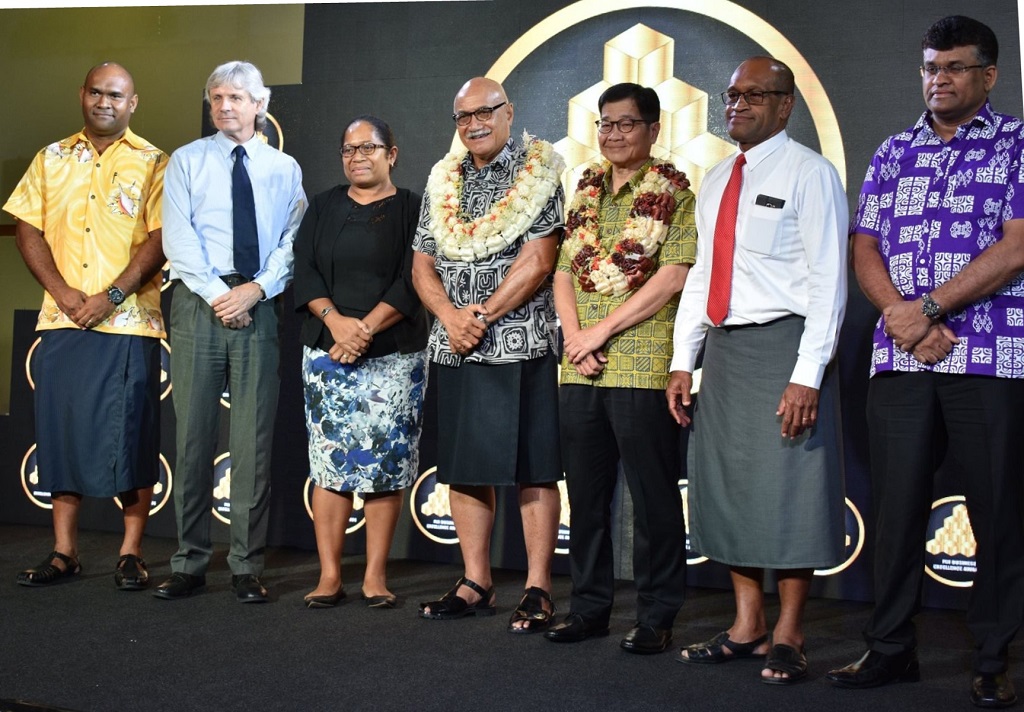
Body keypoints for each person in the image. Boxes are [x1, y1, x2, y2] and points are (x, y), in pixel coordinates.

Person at [826, 17, 1024, 708]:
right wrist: (903, 319)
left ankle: (992, 656)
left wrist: (929, 309)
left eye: (954, 68)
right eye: (930, 68)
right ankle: (889, 650)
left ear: (989, 75)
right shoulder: (893, 149)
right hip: (901, 357)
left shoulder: (1017, 144)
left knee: (996, 511)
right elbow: (865, 248)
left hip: (990, 353)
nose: (938, 79)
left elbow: (1017, 246)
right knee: (898, 507)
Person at [668, 56, 848, 683]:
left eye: (754, 95)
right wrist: (682, 359)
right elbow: (701, 279)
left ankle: (791, 631)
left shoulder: (811, 174)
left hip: (785, 346)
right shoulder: (717, 178)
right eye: (731, 95)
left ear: (785, 105)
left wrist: (808, 373)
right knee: (731, 486)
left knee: (791, 487)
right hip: (725, 350)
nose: (737, 105)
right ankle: (747, 624)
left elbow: (829, 281)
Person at [5, 62, 166, 592]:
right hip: (62, 319)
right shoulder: (50, 158)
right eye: (96, 92)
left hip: (129, 323)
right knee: (61, 436)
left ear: (132, 103)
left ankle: (130, 552)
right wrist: (63, 292)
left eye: (116, 95)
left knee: (131, 437)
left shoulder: (153, 162)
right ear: (82, 95)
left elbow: (160, 239)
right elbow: (27, 228)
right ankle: (64, 551)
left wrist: (112, 295)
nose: (105, 102)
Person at [412, 77, 565, 633]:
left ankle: (537, 586)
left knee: (534, 466)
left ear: (509, 112)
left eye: (485, 112)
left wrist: (480, 316)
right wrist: (451, 319)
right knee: (463, 468)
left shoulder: (540, 169)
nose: (474, 124)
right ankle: (475, 580)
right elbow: (421, 263)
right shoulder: (441, 178)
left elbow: (539, 260)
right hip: (455, 348)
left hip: (521, 342)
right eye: (463, 116)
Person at [545, 83, 693, 654]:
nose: (612, 134)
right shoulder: (583, 190)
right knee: (584, 496)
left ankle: (657, 614)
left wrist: (601, 331)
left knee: (654, 498)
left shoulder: (676, 191)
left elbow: (674, 275)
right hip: (579, 366)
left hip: (643, 361)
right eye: (605, 124)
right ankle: (588, 608)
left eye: (626, 124)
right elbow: (562, 270)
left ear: (654, 130)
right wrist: (574, 336)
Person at [157, 60, 306, 603]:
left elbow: (294, 241)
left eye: (236, 97)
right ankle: (189, 562)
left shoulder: (284, 169)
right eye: (216, 96)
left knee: (253, 443)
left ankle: (246, 564)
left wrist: (257, 290)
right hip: (199, 305)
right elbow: (179, 239)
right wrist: (222, 296)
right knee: (193, 440)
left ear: (260, 105)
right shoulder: (186, 162)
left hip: (258, 307)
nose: (224, 106)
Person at [293, 115, 428, 609]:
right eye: (349, 150)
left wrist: (365, 328)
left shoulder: (415, 207)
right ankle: (329, 576)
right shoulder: (325, 204)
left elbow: (415, 277)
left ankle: (374, 576)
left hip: (392, 357)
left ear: (391, 154)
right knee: (329, 465)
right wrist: (338, 325)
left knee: (385, 466)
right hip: (327, 352)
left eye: (368, 148)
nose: (357, 157)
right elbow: (303, 268)